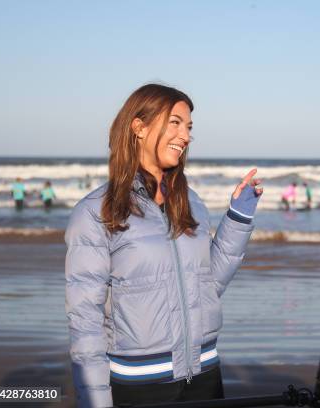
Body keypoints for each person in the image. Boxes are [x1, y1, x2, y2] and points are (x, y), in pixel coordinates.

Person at [65, 84, 263, 408]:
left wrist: (239, 219)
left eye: (188, 127)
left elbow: (208, 286)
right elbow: (85, 321)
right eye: (175, 122)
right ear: (139, 127)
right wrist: (95, 402)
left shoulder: (192, 203)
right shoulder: (95, 211)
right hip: (139, 386)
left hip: (205, 376)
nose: (185, 136)